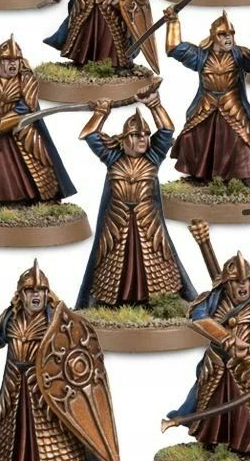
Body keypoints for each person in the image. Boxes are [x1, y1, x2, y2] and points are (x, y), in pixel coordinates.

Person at [0, 263, 120, 461]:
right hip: (14, 384)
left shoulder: (56, 320)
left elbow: (72, 353)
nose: (36, 295)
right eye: (30, 290)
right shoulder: (10, 316)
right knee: (11, 433)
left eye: (41, 290)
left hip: (46, 388)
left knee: (57, 431)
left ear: (47, 293)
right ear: (20, 294)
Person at [168, 252, 250, 455]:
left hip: (249, 370)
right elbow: (197, 317)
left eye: (246, 280)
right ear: (226, 284)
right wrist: (227, 339)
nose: (243, 286)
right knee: (211, 407)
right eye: (237, 281)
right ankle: (211, 442)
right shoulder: (213, 300)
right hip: (216, 366)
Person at [76, 95, 197, 308]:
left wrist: (154, 104)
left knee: (156, 263)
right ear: (124, 139)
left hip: (148, 222)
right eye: (136, 135)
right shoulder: (113, 158)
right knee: (111, 264)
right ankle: (111, 304)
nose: (142, 139)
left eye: (146, 135)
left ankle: (159, 303)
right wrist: (101, 112)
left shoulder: (152, 158)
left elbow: (167, 130)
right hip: (116, 223)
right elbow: (88, 134)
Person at [0, 37, 76, 206]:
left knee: (36, 165)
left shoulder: (26, 79)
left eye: (16, 60)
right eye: (8, 60)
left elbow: (26, 107)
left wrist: (0, 125)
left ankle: (37, 199)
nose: (13, 63)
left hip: (21, 131)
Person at [165, 9, 250, 187]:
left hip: (232, 103)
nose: (228, 37)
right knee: (191, 136)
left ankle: (247, 176)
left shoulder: (240, 54)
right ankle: (200, 173)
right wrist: (173, 22)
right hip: (206, 103)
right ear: (214, 36)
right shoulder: (201, 56)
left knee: (242, 138)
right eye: (223, 34)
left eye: (231, 33)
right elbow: (174, 48)